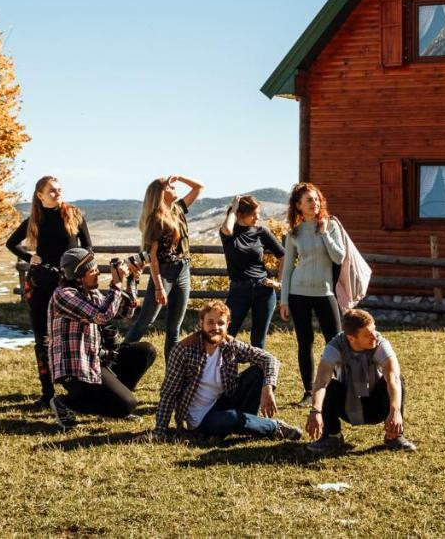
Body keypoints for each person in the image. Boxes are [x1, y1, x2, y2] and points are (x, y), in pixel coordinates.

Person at [149, 301, 301, 441]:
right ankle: (275, 427)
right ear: (201, 323)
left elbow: (270, 359)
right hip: (201, 421)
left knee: (258, 370)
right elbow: (169, 392)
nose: (215, 328)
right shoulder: (183, 350)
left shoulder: (229, 344)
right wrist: (160, 431)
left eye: (220, 323)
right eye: (210, 322)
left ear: (227, 325)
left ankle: (245, 423)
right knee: (232, 418)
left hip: (224, 401)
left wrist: (268, 388)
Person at [5, 176, 92, 405]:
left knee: (72, 335)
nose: (57, 193)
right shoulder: (35, 219)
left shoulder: (74, 214)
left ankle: (79, 389)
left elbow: (88, 247)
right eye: (52, 190)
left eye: (59, 190)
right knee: (42, 338)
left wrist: (80, 270)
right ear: (40, 195)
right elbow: (11, 243)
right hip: (41, 283)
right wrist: (29, 257)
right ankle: (47, 394)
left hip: (69, 284)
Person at [47, 248, 156, 429]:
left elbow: (125, 312)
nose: (98, 272)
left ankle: (114, 408)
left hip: (96, 361)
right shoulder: (64, 295)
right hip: (77, 369)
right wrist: (116, 284)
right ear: (79, 276)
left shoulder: (92, 293)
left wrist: (131, 280)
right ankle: (65, 403)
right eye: (93, 270)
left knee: (145, 351)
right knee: (128, 405)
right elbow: (102, 316)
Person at [304, 308, 416, 453]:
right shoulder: (334, 347)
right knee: (330, 386)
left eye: (374, 331)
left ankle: (394, 436)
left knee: (398, 379)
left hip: (377, 406)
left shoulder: (381, 344)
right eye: (368, 335)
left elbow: (393, 378)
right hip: (347, 406)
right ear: (351, 338)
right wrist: (315, 411)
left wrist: (395, 411)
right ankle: (332, 437)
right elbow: (320, 382)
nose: (374, 337)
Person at [122, 174, 203, 362]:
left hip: (183, 269)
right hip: (164, 272)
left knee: (175, 327)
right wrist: (159, 287)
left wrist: (180, 178)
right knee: (145, 321)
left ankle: (172, 372)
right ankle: (117, 361)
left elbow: (199, 187)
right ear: (160, 193)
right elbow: (153, 257)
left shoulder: (179, 209)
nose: (175, 189)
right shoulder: (156, 218)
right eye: (170, 187)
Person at [279, 182, 346, 407]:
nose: (315, 203)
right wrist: (284, 300)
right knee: (304, 342)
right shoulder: (294, 233)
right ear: (298, 205)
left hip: (325, 292)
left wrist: (325, 233)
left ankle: (338, 387)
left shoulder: (332, 226)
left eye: (317, 199)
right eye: (309, 200)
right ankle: (309, 392)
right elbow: (287, 269)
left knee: (336, 340)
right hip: (298, 293)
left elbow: (339, 257)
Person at [219, 195, 284, 349]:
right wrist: (233, 209)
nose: (258, 217)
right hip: (238, 290)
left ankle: (257, 373)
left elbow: (284, 255)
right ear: (241, 215)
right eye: (253, 214)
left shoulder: (262, 232)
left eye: (258, 213)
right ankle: (223, 371)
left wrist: (279, 283)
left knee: (258, 341)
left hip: (264, 289)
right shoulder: (229, 233)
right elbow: (227, 228)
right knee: (226, 335)